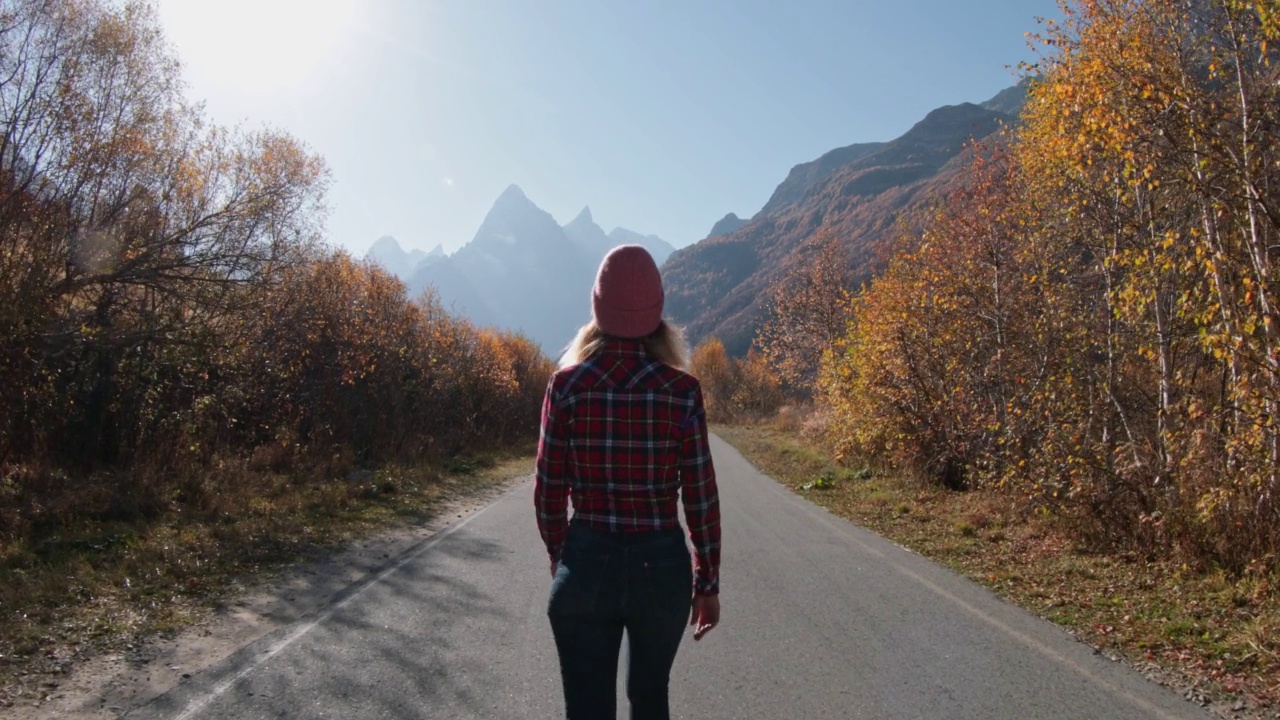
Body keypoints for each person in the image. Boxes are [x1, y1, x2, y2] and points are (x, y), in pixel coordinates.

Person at [535, 244, 721, 720]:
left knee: (587, 708)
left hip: (586, 559)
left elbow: (548, 492)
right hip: (660, 568)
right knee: (650, 698)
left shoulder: (567, 387)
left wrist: (564, 558)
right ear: (657, 316)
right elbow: (700, 496)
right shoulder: (682, 393)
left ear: (597, 308)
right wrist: (707, 582)